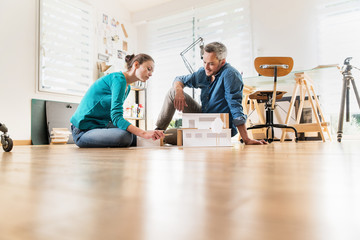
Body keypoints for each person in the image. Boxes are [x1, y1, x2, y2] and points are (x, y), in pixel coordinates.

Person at [155, 42, 267, 145]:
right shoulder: (203, 72)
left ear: (222, 62)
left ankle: (159, 137)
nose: (206, 67)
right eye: (204, 62)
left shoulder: (230, 75)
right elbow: (179, 79)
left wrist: (246, 139)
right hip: (203, 117)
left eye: (211, 64)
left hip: (218, 127)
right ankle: (156, 132)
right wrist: (179, 90)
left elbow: (235, 107)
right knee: (173, 92)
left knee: (169, 136)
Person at [71, 53, 165, 148]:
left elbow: (114, 118)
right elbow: (116, 117)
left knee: (132, 134)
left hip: (100, 126)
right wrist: (143, 133)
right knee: (125, 137)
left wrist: (145, 132)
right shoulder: (118, 79)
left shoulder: (127, 87)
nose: (151, 74)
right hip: (83, 130)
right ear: (136, 65)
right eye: (149, 69)